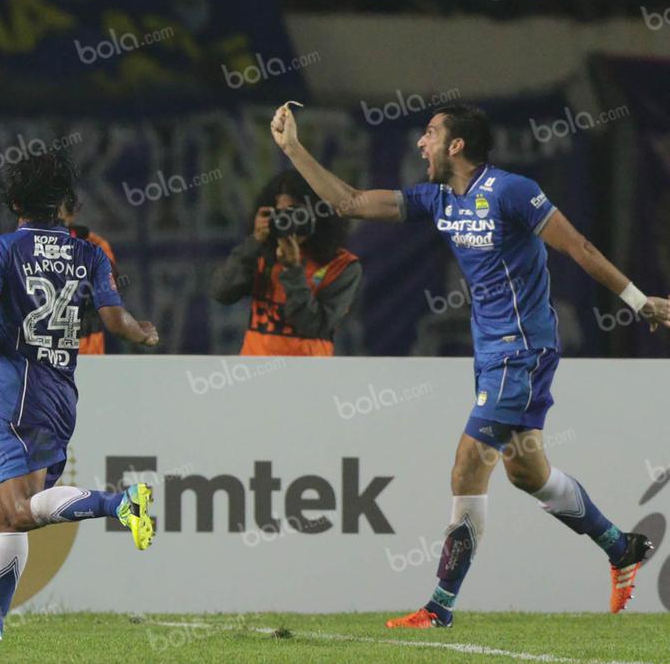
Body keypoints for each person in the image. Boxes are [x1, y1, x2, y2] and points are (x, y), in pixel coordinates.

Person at [270, 102, 670, 628]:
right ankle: (621, 547)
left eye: (430, 134)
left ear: (456, 145)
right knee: (527, 472)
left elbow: (578, 246)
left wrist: (639, 301)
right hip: (492, 354)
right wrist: (293, 148)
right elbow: (350, 202)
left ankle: (439, 607)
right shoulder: (437, 199)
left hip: (522, 349)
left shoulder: (512, 190)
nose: (421, 143)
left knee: (467, 465)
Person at [0, 149, 159, 641]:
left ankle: (119, 503)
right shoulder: (89, 253)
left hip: (18, 393)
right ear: (62, 203)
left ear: (14, 202)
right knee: (9, 517)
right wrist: (144, 332)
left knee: (19, 508)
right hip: (61, 392)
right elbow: (115, 321)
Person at [210, 170, 360, 355]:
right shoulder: (262, 253)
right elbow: (222, 293)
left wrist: (292, 270)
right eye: (282, 214)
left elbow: (314, 327)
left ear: (321, 215)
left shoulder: (341, 265)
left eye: (298, 214)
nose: (290, 222)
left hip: (309, 370)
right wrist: (254, 242)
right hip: (253, 368)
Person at [59, 199, 120, 354]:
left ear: (71, 215)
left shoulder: (96, 245)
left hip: (88, 347)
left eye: (58, 214)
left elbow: (108, 286)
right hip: (43, 348)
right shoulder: (27, 245)